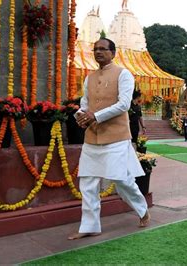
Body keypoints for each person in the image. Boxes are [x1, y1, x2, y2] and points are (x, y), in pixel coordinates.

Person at [69, 38, 150, 240]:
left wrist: (95, 116)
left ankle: (142, 210)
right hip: (92, 137)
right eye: (95, 49)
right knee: (87, 182)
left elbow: (124, 104)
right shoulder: (89, 77)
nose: (98, 52)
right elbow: (84, 103)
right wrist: (80, 115)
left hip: (116, 137)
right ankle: (90, 226)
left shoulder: (124, 75)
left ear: (113, 53)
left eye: (103, 49)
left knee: (122, 180)